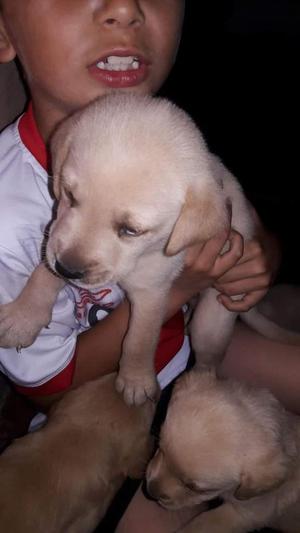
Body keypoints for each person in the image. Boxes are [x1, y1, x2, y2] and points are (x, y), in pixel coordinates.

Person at [0, 1, 291, 531]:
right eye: (69, 195)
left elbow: (231, 213)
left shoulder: (162, 148)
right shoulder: (9, 214)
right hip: (95, 390)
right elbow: (45, 382)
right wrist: (188, 284)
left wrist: (261, 255)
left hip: (190, 344)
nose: (123, 8)